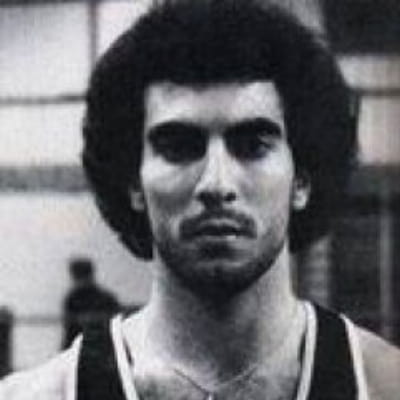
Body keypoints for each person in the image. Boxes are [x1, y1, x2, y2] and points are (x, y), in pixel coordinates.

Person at [1, 1, 399, 399]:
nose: (216, 183)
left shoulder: (384, 384)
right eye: (179, 147)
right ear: (133, 183)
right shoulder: (38, 395)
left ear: (301, 180)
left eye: (253, 146)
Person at [62, 258, 120, 349]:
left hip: (101, 346)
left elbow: (116, 323)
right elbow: (70, 329)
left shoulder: (105, 298)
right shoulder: (72, 299)